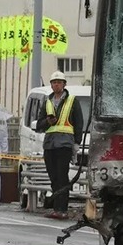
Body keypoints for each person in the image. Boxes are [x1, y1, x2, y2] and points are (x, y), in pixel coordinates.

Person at [35, 71, 84, 220]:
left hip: (64, 143)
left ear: (64, 84)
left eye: (59, 82)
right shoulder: (48, 102)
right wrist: (47, 122)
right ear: (51, 85)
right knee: (53, 177)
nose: (56, 84)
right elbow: (39, 125)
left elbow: (79, 122)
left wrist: (77, 142)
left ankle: (62, 209)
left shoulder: (72, 101)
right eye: (54, 82)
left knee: (62, 177)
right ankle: (57, 208)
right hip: (50, 144)